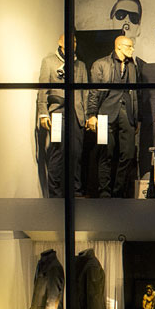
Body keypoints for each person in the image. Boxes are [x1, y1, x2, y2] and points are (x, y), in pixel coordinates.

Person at [87, 36, 140, 198]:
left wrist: (136, 117)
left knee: (128, 154)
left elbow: (135, 93)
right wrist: (92, 115)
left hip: (126, 113)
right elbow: (94, 92)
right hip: (105, 113)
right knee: (105, 153)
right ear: (119, 46)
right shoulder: (101, 64)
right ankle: (104, 191)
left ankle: (118, 191)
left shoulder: (132, 66)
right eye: (129, 46)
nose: (132, 49)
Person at [36, 34, 88, 197]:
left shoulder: (80, 65)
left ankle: (76, 191)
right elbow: (43, 89)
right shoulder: (49, 61)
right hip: (57, 112)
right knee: (57, 153)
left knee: (76, 154)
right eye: (68, 40)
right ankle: (55, 194)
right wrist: (43, 113)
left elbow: (85, 92)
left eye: (75, 41)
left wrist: (87, 115)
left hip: (76, 113)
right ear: (60, 42)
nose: (73, 43)